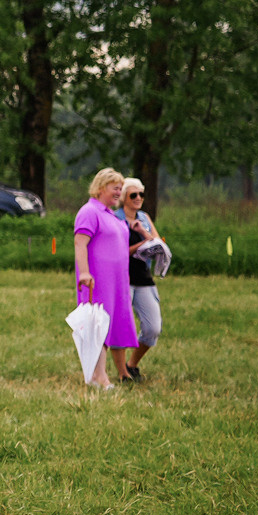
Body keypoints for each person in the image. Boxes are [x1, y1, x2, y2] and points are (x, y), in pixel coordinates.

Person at [72, 167, 138, 389]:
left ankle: (98, 375)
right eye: (115, 188)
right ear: (101, 188)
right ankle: (99, 377)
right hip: (97, 279)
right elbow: (80, 243)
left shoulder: (110, 214)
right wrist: (84, 272)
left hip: (117, 281)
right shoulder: (89, 211)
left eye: (121, 189)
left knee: (112, 324)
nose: (119, 192)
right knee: (98, 325)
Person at [118, 177, 167, 383]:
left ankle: (132, 364)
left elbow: (157, 243)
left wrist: (141, 231)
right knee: (120, 325)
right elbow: (117, 252)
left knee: (152, 328)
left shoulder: (145, 217)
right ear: (124, 198)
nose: (138, 198)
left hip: (144, 277)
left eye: (141, 194)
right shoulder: (115, 218)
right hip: (122, 277)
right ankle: (122, 373)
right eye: (133, 194)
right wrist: (139, 245)